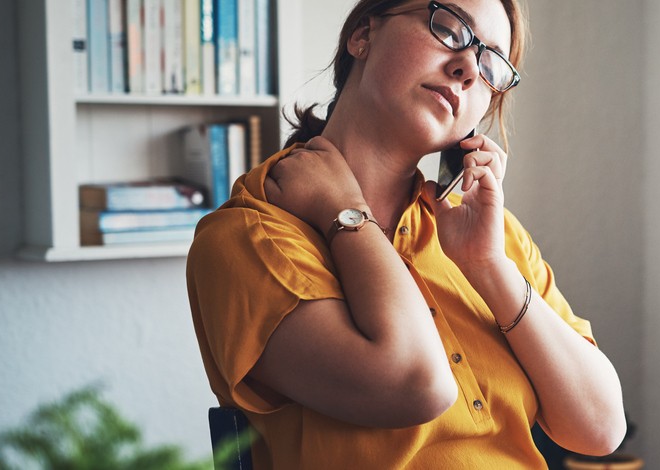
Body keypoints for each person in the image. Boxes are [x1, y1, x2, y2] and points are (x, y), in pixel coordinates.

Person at [186, 0, 626, 467]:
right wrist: (345, 214)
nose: (467, 69)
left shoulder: (491, 236)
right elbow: (417, 384)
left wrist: (488, 267)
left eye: (491, 62)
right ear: (363, 35)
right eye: (452, 30)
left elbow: (600, 429)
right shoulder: (248, 235)